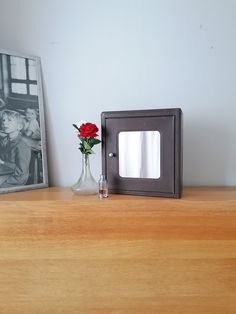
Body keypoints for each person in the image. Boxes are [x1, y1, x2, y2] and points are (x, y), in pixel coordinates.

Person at [0, 110, 31, 188]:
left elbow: (21, 171)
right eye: (3, 120)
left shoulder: (22, 145)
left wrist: (3, 163)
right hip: (5, 172)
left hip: (16, 178)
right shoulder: (5, 140)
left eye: (9, 120)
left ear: (19, 127)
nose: (4, 123)